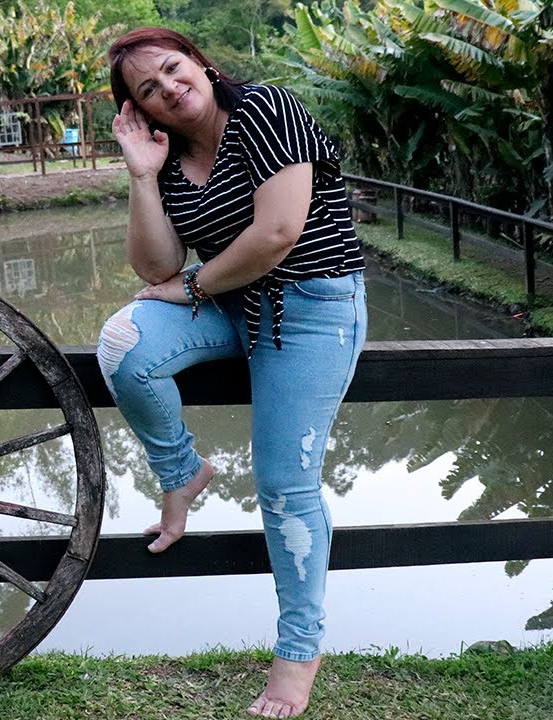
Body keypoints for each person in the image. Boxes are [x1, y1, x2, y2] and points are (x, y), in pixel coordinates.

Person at [96, 27, 367, 718]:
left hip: (312, 307)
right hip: (229, 301)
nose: (167, 88)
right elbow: (155, 268)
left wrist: (192, 289)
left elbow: (279, 232)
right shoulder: (172, 154)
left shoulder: (267, 110)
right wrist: (141, 173)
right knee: (125, 343)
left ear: (202, 63)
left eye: (172, 68)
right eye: (146, 91)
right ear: (142, 111)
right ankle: (182, 471)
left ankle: (298, 653)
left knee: (284, 486)